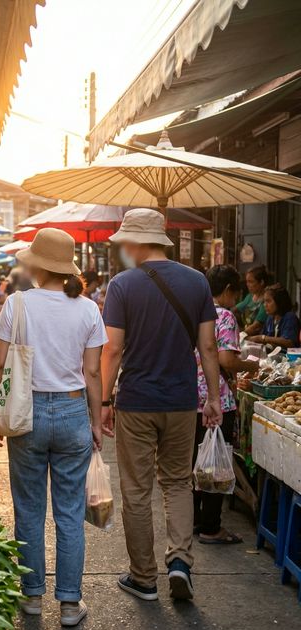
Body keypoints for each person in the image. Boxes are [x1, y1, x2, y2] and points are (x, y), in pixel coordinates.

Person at [100, 208, 222, 602]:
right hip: (183, 401)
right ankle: (181, 562)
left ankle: (144, 578)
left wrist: (103, 400)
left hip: (136, 401)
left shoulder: (122, 285)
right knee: (177, 484)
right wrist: (214, 397)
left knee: (136, 490)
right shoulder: (197, 281)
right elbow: (208, 345)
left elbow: (113, 349)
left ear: (136, 243)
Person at [0, 228, 107, 627]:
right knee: (70, 514)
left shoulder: (17, 304)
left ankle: (33, 597)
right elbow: (92, 373)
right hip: (74, 413)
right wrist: (97, 419)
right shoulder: (89, 309)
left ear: (38, 265)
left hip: (26, 415)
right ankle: (71, 604)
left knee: (28, 509)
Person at [194, 265, 259, 544]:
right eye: (237, 291)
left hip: (191, 398)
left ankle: (196, 521)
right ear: (229, 290)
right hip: (216, 398)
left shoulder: (195, 310)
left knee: (197, 461)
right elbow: (226, 360)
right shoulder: (225, 316)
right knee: (216, 464)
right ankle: (211, 527)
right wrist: (249, 365)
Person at [248, 284, 300, 349]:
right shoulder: (270, 319)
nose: (265, 305)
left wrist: (263, 338)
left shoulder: (290, 317)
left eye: (268, 301)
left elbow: (289, 342)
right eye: (264, 302)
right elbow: (263, 340)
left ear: (279, 301)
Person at [234, 265, 269, 335]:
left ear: (261, 282)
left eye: (251, 282)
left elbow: (256, 325)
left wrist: (240, 334)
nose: (247, 285)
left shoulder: (267, 300)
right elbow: (234, 310)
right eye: (247, 282)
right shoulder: (249, 297)